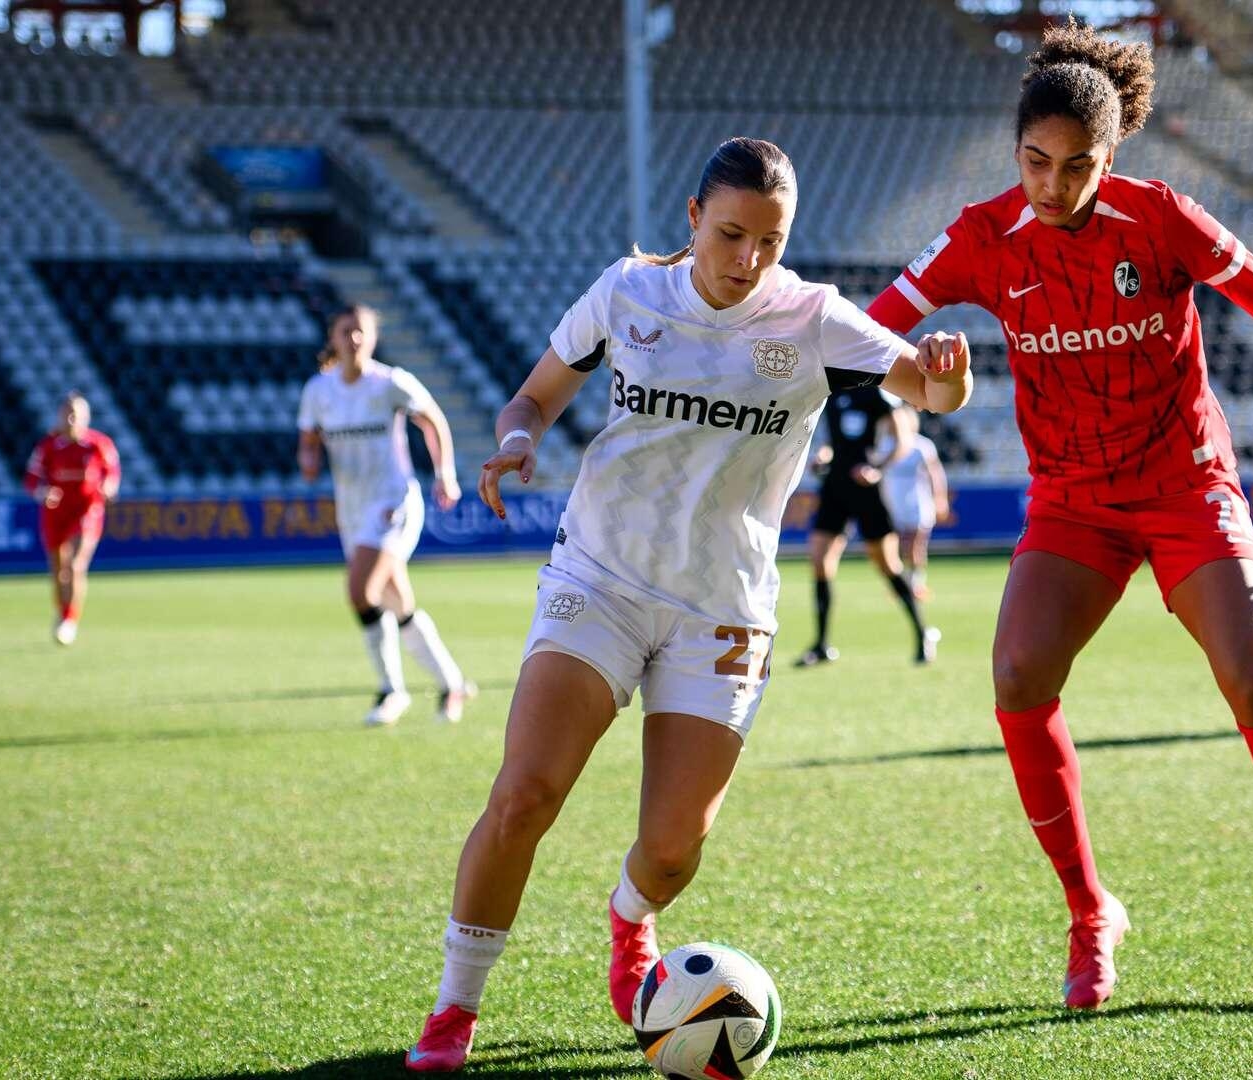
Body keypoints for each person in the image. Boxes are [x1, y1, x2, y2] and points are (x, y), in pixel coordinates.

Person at [865, 20, 1253, 1009]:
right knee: (1016, 674)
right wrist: (898, 380)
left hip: (1186, 485)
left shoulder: (1161, 218)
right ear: (1016, 155)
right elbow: (862, 329)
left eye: (1078, 166)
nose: (1054, 185)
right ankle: (1091, 912)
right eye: (1036, 163)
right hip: (1074, 502)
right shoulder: (979, 238)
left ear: (1111, 154)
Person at [402, 137, 972, 1073]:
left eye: (771, 240)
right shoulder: (628, 292)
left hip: (723, 608)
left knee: (671, 852)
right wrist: (510, 444)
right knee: (525, 793)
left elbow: (933, 389)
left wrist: (949, 371)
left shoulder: (815, 319)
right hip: (599, 578)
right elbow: (536, 396)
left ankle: (632, 921)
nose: (749, 259)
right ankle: (454, 1009)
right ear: (693, 221)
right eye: (732, 233)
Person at [297, 305, 474, 727]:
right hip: (352, 508)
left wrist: (445, 473)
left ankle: (392, 691)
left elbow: (433, 420)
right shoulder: (318, 390)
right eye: (346, 332)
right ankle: (452, 684)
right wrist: (308, 458)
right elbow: (307, 438)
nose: (354, 339)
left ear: (372, 338)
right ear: (333, 338)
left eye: (361, 332)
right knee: (397, 603)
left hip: (393, 501)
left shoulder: (390, 382)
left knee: (360, 592)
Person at [795, 385, 939, 666]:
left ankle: (923, 633)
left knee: (887, 565)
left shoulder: (878, 392)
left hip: (865, 490)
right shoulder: (832, 391)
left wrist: (878, 469)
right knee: (819, 561)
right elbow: (831, 440)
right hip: (835, 487)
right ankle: (821, 644)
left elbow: (903, 441)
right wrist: (824, 456)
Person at [23, 391, 119, 646]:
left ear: (86, 417)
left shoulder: (99, 444)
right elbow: (31, 479)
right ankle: (62, 610)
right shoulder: (48, 446)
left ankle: (70, 620)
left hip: (87, 511)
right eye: (67, 413)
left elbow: (112, 472)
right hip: (55, 513)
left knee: (75, 566)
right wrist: (42, 492)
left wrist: (108, 488)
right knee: (58, 570)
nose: (71, 418)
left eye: (76, 414)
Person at [881, 403, 951, 599]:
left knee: (915, 545)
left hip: (917, 502)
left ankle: (916, 583)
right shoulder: (884, 444)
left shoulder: (922, 446)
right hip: (892, 502)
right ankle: (900, 584)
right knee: (894, 547)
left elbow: (935, 474)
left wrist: (940, 498)